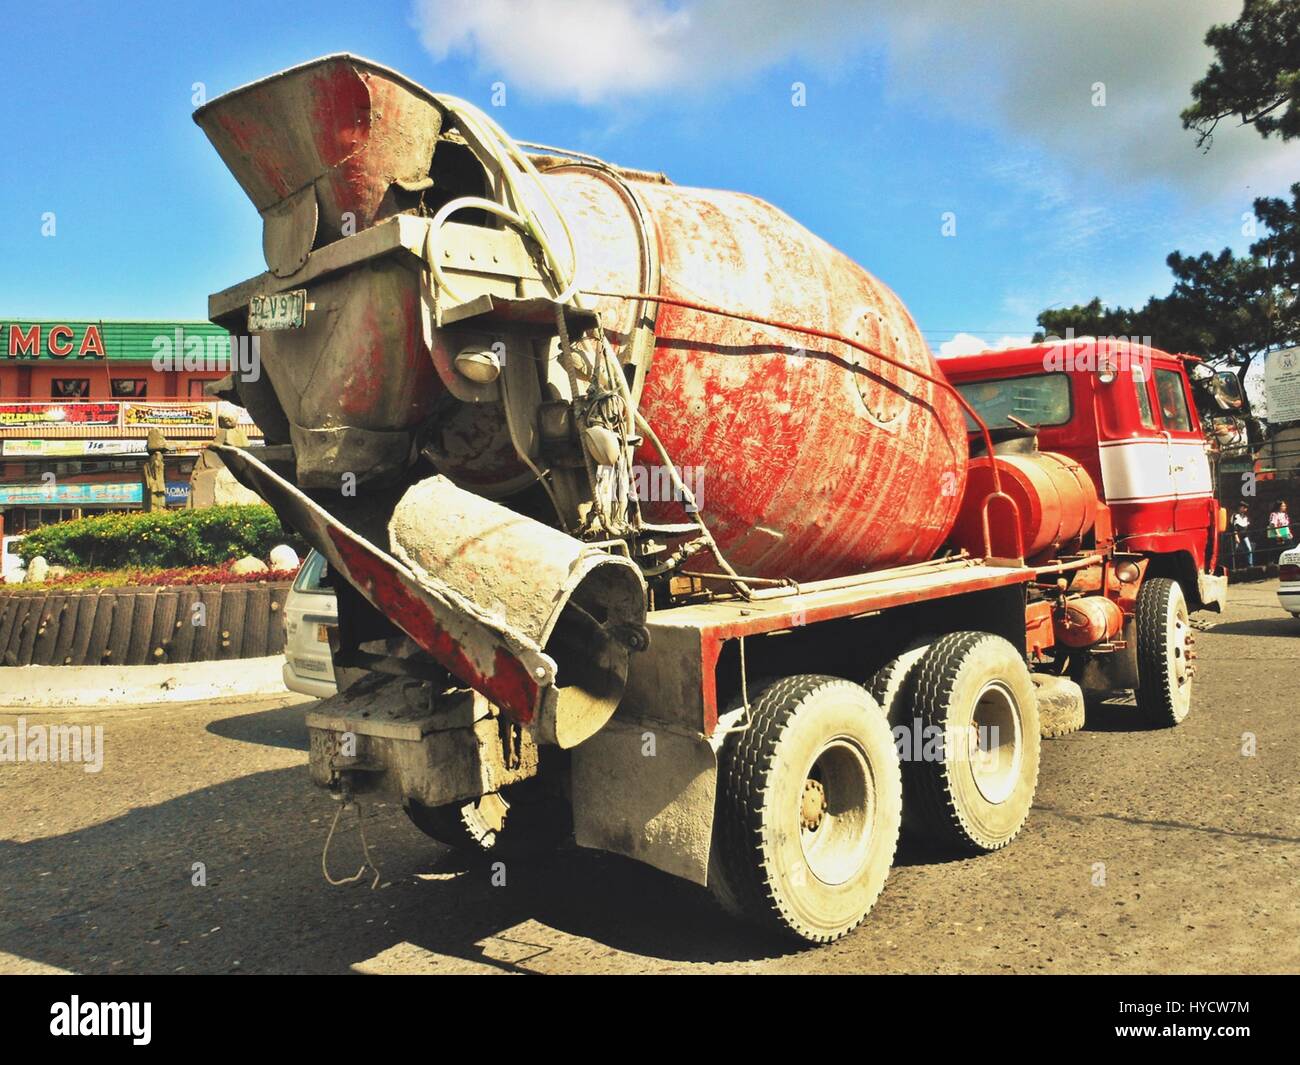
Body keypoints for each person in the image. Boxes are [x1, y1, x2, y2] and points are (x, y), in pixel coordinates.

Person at [1232, 503, 1254, 567]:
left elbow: (1248, 526)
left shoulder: (1246, 517)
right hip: (1237, 535)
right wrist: (1236, 536)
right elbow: (1234, 526)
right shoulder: (1235, 516)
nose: (1245, 509)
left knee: (1249, 549)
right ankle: (1236, 565)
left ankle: (1250, 564)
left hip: (1245, 535)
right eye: (1243, 507)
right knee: (1236, 551)